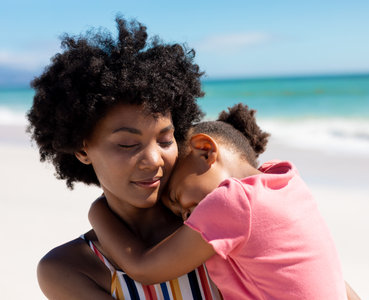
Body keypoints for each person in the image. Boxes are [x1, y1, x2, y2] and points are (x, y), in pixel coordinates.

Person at [28, 17, 222, 299]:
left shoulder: (216, 222)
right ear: (82, 150)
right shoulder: (70, 268)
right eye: (128, 144)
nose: (154, 159)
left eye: (165, 140)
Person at [88, 103, 348, 299]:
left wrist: (97, 212)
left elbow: (144, 268)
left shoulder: (233, 202)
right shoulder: (285, 182)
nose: (186, 217)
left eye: (177, 198)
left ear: (205, 151)